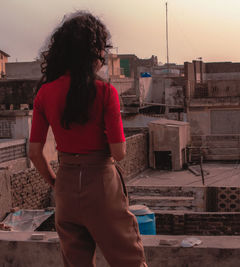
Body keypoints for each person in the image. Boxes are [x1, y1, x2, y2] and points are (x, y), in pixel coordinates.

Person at [29, 12, 147, 267]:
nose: (103, 57)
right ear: (93, 52)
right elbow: (119, 152)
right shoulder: (106, 92)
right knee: (129, 261)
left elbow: (34, 152)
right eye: (101, 49)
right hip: (102, 186)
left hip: (66, 188)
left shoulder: (45, 93)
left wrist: (55, 182)